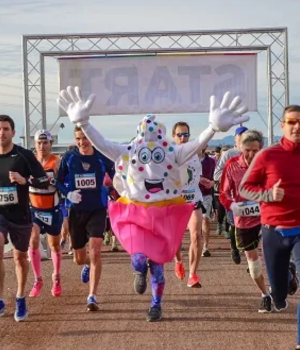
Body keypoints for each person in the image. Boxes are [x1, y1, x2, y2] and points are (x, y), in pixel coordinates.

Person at [57, 86, 250, 322]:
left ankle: (156, 305)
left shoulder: (171, 152)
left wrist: (211, 128)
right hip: (136, 212)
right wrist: (84, 124)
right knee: (139, 259)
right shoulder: (129, 151)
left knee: (158, 266)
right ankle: (139, 271)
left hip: (164, 213)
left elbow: (194, 146)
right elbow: (103, 143)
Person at [239, 105, 300, 349]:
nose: (297, 127)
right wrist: (267, 195)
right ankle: (283, 281)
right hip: (273, 230)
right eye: (292, 121)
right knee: (278, 297)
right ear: (282, 125)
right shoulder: (267, 155)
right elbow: (245, 188)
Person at [56, 126, 115, 311]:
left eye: (85, 138)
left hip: (97, 209)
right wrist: (68, 194)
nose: (82, 142)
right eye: (78, 138)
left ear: (91, 138)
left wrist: (109, 187)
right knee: (79, 258)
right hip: (76, 212)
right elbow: (58, 181)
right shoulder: (69, 157)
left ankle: (92, 296)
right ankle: (87, 265)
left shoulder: (101, 156)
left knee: (96, 250)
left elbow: (115, 175)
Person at [0, 115, 49, 322]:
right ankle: (0, 299)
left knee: (20, 257)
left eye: (5, 129)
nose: (1, 133)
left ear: (13, 132)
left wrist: (25, 180)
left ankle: (20, 297)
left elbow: (44, 181)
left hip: (20, 215)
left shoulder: (24, 155)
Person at [219, 130, 271, 312]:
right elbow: (224, 193)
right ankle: (265, 295)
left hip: (267, 217)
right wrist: (232, 205)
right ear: (241, 148)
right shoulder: (232, 165)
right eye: (247, 150)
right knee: (253, 264)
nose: (251, 154)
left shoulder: (267, 165)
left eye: (255, 150)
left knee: (271, 254)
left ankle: (283, 277)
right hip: (243, 219)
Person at [28, 130, 63, 297]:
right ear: (35, 144)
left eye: (45, 143)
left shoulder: (57, 162)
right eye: (39, 143)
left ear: (51, 144)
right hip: (34, 209)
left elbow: (64, 183)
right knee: (33, 239)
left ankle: (56, 277)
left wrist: (55, 181)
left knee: (54, 245)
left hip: (52, 209)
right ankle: (37, 279)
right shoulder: (29, 162)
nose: (42, 146)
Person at [172, 122, 204, 288]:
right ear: (173, 137)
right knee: (175, 239)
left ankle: (193, 274)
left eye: (186, 134)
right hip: (176, 202)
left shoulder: (195, 152)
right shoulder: (171, 154)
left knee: (196, 237)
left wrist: (203, 180)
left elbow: (195, 174)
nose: (183, 138)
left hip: (194, 199)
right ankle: (178, 260)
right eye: (180, 135)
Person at [214, 126, 248, 263]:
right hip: (233, 198)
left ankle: (250, 257)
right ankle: (234, 249)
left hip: (250, 198)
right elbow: (216, 174)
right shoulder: (228, 154)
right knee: (235, 225)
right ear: (235, 138)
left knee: (250, 227)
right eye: (240, 135)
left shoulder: (253, 152)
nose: (243, 137)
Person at [199, 147, 216, 257]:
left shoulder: (211, 161)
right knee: (192, 223)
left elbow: (216, 176)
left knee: (205, 219)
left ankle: (205, 247)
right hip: (191, 195)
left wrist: (213, 182)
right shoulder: (190, 159)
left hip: (206, 194)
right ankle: (195, 243)